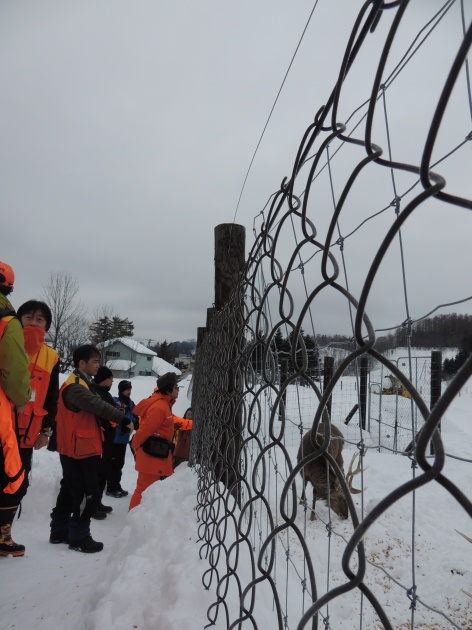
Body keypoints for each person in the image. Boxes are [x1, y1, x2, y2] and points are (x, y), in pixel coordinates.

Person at [49, 345, 126, 553]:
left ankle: (59, 531)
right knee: (88, 494)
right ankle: (79, 537)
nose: (98, 365)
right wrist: (123, 419)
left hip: (77, 446)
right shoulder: (76, 386)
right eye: (94, 361)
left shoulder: (82, 382)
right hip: (79, 449)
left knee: (69, 490)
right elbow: (97, 405)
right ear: (81, 363)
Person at [0, 262, 32, 556]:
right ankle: (2, 538)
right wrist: (21, 399)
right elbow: (15, 371)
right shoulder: (7, 322)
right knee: (11, 477)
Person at [129, 372, 192, 511]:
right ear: (168, 390)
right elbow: (144, 431)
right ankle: (133, 519)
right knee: (143, 491)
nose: (178, 390)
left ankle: (140, 518)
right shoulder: (159, 407)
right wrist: (137, 447)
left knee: (147, 490)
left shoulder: (163, 405)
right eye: (176, 387)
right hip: (152, 456)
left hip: (156, 455)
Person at [92, 366, 128, 519]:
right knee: (97, 473)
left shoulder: (104, 394)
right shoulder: (97, 394)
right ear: (103, 379)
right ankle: (92, 506)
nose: (112, 381)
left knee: (103, 472)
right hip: (100, 440)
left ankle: (97, 502)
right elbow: (104, 416)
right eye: (110, 378)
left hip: (107, 440)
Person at [106, 380, 138, 498]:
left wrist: (132, 421)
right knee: (113, 463)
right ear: (121, 390)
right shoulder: (116, 402)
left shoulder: (130, 403)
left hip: (123, 439)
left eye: (130, 389)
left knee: (120, 463)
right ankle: (110, 487)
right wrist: (127, 420)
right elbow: (116, 416)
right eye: (127, 389)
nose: (129, 392)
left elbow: (134, 417)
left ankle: (116, 484)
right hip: (114, 439)